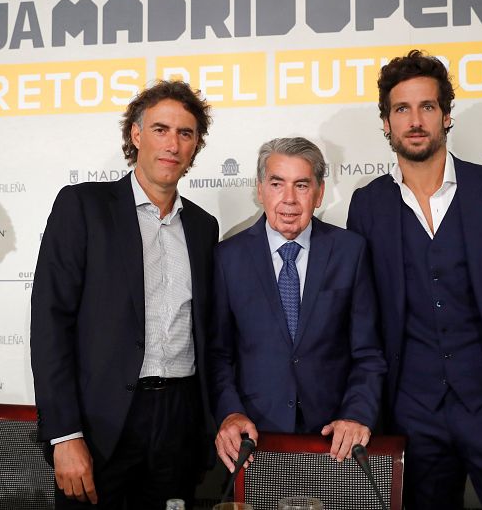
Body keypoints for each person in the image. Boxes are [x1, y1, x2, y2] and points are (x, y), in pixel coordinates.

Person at [347, 50, 482, 509]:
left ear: (446, 116)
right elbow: (365, 309)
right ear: (385, 122)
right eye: (401, 109)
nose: (415, 120)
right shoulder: (367, 205)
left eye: (427, 106)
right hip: (411, 411)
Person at [31, 80, 219, 509]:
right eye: (160, 129)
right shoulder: (83, 206)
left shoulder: (203, 227)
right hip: (101, 426)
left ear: (195, 145)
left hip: (180, 423)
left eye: (185, 133)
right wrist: (65, 434)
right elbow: (50, 324)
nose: (172, 144)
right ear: (136, 135)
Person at [208, 137, 386, 472]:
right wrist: (230, 413)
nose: (289, 199)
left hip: (335, 440)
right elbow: (218, 355)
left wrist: (356, 414)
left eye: (301, 185)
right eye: (277, 184)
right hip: (254, 440)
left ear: (319, 194)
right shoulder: (227, 257)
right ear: (260, 189)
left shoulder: (350, 251)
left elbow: (368, 353)